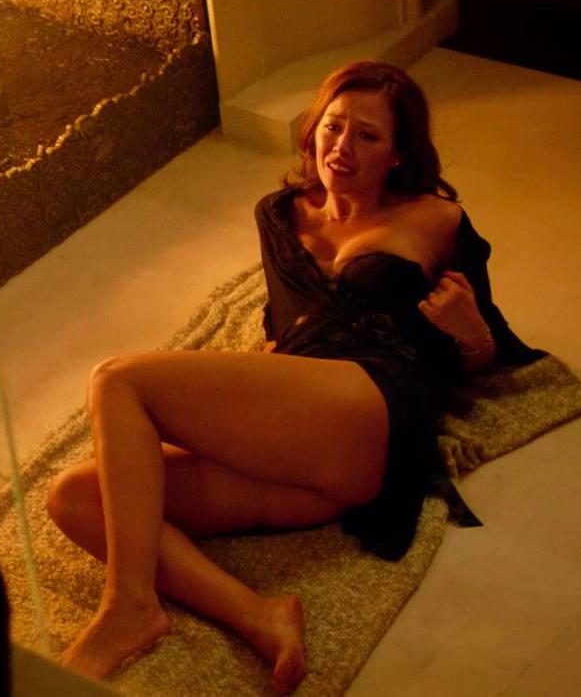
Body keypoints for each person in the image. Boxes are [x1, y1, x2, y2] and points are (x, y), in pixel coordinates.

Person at [42, 60, 537, 691]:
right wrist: (243, 397)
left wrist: (470, 332)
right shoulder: (279, 215)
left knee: (118, 380)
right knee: (76, 498)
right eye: (333, 126)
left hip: (370, 410)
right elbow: (283, 326)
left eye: (367, 136)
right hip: (308, 455)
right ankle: (260, 616)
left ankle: (128, 605)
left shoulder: (435, 220)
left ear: (398, 154)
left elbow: (488, 355)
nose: (342, 147)